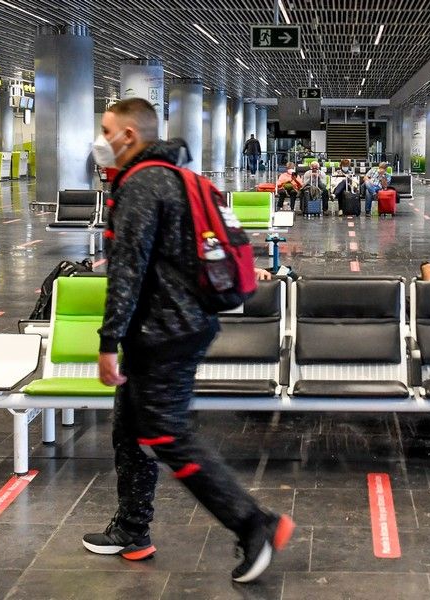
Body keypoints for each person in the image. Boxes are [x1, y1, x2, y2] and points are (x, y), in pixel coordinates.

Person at [85, 98, 294, 584]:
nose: (101, 138)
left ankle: (254, 523)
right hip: (178, 322)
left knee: (164, 433)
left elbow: (127, 271)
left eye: (106, 129)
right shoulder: (176, 178)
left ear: (130, 136)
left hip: (165, 331)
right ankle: (132, 528)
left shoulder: (140, 185)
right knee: (130, 426)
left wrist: (107, 341)